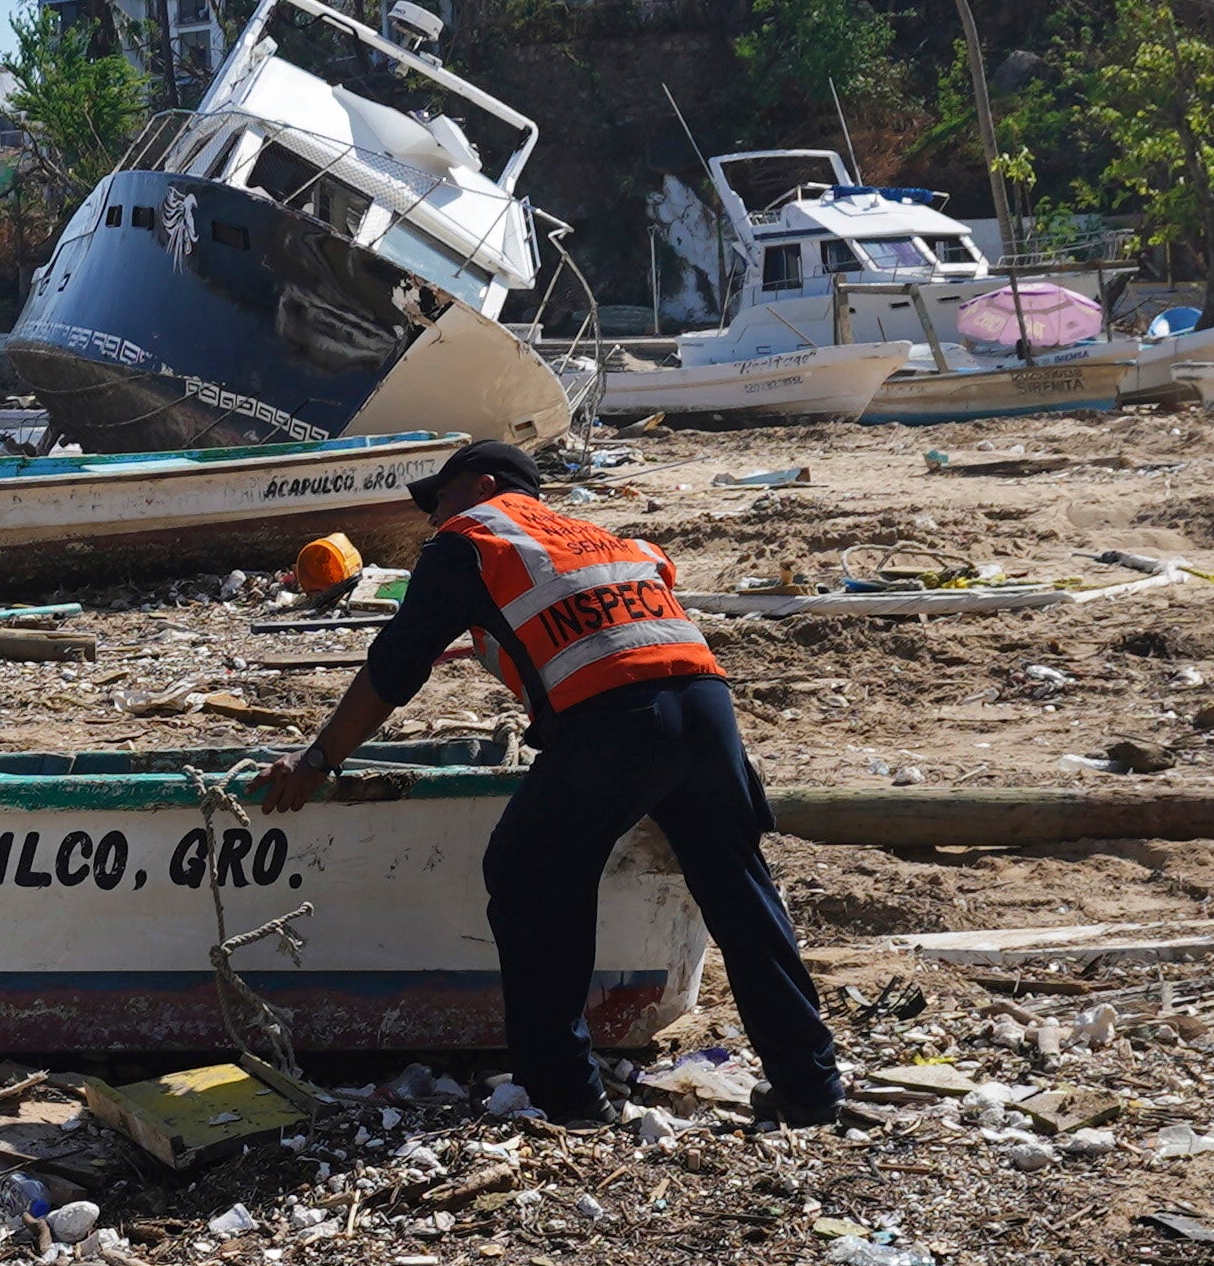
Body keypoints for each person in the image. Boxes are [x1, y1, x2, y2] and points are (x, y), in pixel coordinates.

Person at [256, 437, 843, 1128]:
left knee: (528, 871)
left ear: (480, 484)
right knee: (738, 888)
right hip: (708, 705)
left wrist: (318, 760)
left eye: (436, 499)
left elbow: (394, 669)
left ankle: (564, 1093)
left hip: (618, 715)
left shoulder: (470, 540)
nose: (431, 518)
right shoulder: (597, 537)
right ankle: (810, 1085)